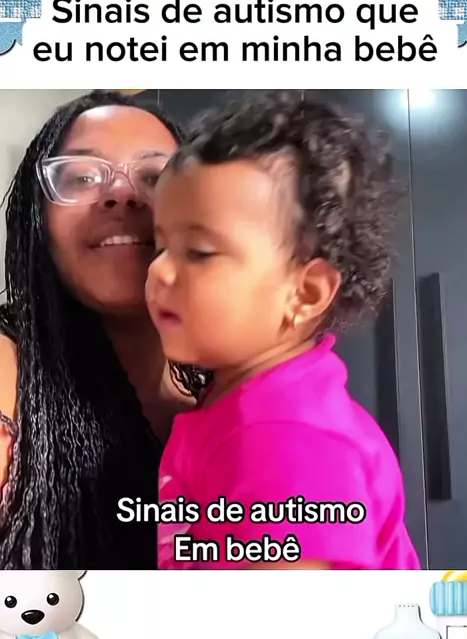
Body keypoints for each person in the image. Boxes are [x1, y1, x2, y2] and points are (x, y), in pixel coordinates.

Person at [146, 91, 421, 570]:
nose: (158, 271)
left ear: (306, 293)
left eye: (200, 253)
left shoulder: (286, 437)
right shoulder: (247, 406)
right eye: (160, 246)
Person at [0, 89, 194, 569]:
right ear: (37, 218)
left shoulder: (237, 386)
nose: (120, 193)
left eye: (155, 176)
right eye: (82, 176)